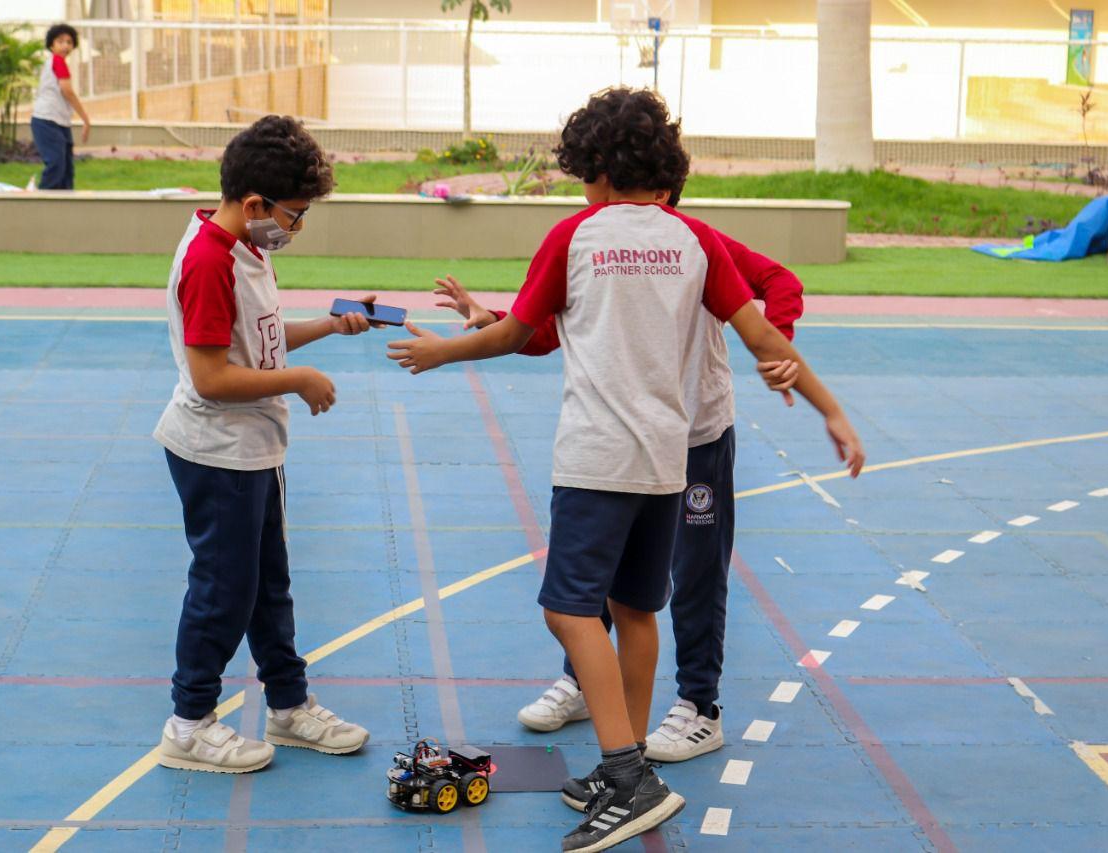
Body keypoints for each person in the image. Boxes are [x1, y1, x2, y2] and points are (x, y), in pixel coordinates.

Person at [387, 87, 864, 852]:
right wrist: (830, 408)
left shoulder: (575, 236)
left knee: (569, 611)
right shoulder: (694, 242)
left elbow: (517, 332)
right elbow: (760, 334)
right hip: (668, 461)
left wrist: (443, 350)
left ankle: (626, 772)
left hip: (596, 459)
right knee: (636, 609)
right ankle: (629, 763)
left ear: (597, 169)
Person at [432, 219, 803, 778]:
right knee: (605, 572)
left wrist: (778, 343)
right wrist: (498, 322)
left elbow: (780, 281)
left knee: (693, 571)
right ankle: (586, 686)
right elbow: (559, 329)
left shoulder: (697, 243)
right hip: (628, 437)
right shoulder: (596, 241)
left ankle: (699, 704)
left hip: (695, 434)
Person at [153, 116, 375, 774]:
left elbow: (261, 341)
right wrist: (300, 381)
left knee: (268, 585)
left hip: (255, 448)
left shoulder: (248, 250)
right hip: (217, 451)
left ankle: (288, 702)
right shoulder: (208, 262)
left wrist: (331, 326)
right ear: (255, 205)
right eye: (294, 215)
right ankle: (189, 722)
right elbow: (212, 374)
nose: (295, 228)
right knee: (224, 590)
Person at [30, 23, 91, 190]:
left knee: (66, 170)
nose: (65, 45)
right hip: (46, 121)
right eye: (60, 41)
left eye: (69, 42)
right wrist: (86, 119)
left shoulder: (57, 62)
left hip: (60, 122)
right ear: (52, 45)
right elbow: (67, 91)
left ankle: (65, 207)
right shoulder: (57, 61)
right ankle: (41, 203)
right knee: (56, 165)